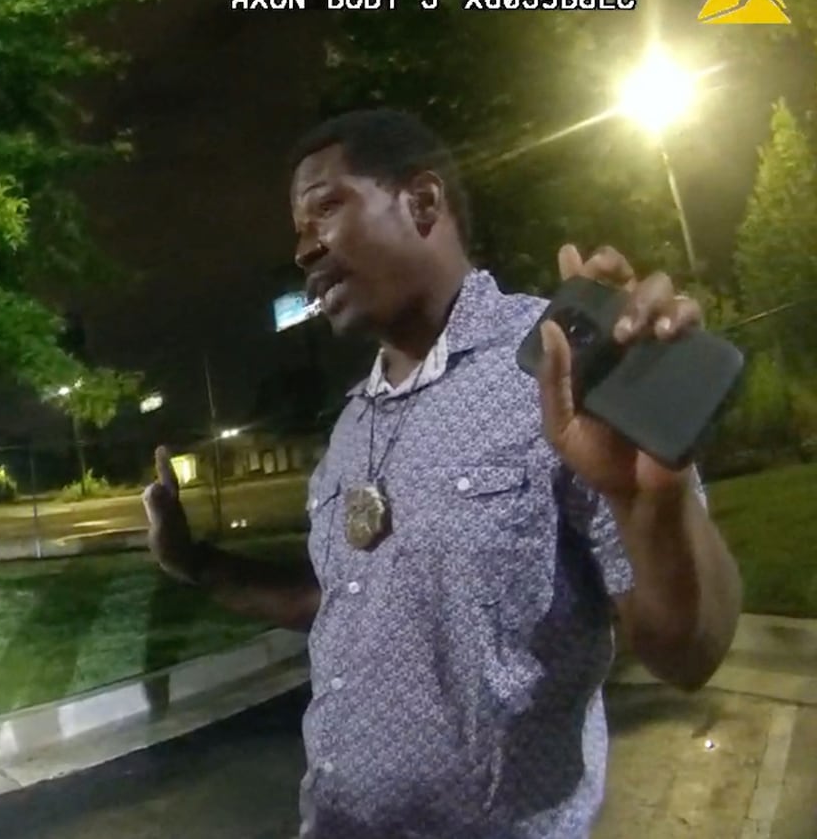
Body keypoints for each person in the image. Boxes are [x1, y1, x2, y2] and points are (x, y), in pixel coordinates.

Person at [141, 108, 743, 838]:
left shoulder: (559, 370)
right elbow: (338, 606)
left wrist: (652, 502)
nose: (303, 250)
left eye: (325, 208)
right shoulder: (350, 428)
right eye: (297, 228)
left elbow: (691, 649)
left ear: (422, 203)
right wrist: (193, 561)